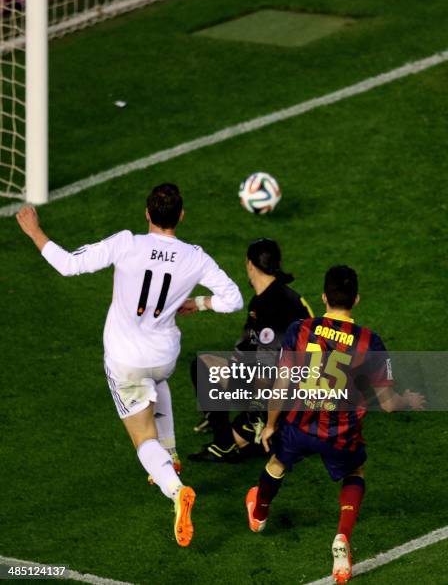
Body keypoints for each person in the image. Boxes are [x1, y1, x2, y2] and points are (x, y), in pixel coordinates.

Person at [16, 183, 243, 548]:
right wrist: (199, 304)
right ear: (180, 216)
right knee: (159, 384)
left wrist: (35, 231)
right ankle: (169, 453)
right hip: (163, 356)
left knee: (141, 437)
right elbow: (232, 299)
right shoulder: (194, 256)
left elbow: (69, 265)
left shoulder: (127, 243)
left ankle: (175, 489)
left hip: (126, 361)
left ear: (147, 214)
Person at [245, 265, 425, 583]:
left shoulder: (300, 329)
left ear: (324, 297)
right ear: (356, 299)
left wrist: (271, 425)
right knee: (355, 472)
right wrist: (409, 400)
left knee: (277, 463)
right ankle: (342, 538)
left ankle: (259, 514)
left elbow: (282, 385)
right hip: (341, 432)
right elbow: (387, 404)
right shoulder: (370, 342)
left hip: (299, 426)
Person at [188, 237, 313, 463]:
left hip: (287, 392)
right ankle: (253, 429)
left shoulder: (268, 305)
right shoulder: (284, 295)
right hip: (308, 386)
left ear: (250, 264)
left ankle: (234, 439)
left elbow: (268, 369)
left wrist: (256, 411)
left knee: (203, 366)